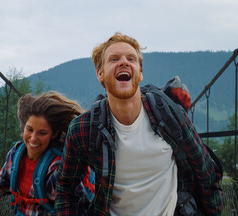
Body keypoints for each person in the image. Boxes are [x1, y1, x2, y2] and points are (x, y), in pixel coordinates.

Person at [55, 32, 222, 215]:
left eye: (131, 59)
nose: (124, 62)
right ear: (100, 74)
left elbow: (206, 171)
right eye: (114, 59)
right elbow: (66, 189)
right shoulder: (83, 129)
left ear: (140, 73)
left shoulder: (170, 117)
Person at [0, 91, 89, 216]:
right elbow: (3, 183)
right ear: (23, 126)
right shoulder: (16, 154)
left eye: (42, 133)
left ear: (54, 134)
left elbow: (74, 205)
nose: (33, 138)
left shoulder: (57, 167)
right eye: (30, 129)